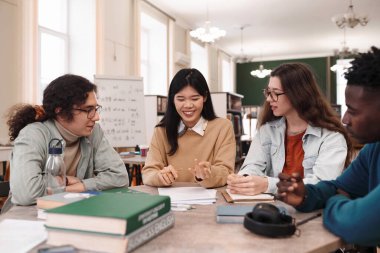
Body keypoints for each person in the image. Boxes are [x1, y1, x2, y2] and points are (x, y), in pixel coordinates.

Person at [277, 47, 380, 247]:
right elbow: (339, 187)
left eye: (353, 111)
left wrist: (335, 203)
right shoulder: (373, 149)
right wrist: (306, 194)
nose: (345, 119)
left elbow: (355, 225)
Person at [227, 63, 352, 195]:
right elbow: (252, 166)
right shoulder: (267, 130)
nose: (269, 99)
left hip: (312, 212)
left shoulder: (332, 137)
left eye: (275, 93)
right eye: (268, 92)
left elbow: (322, 183)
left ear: (298, 94)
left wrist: (267, 185)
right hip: (271, 209)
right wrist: (244, 180)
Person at [7, 74, 129, 206]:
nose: (96, 117)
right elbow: (26, 193)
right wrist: (64, 181)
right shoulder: (33, 135)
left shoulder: (94, 133)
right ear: (60, 112)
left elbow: (120, 177)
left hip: (73, 210)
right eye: (88, 110)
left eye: (95, 109)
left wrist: (79, 186)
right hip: (26, 218)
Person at [142, 68, 235, 188]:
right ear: (172, 99)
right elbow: (149, 172)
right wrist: (159, 177)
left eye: (195, 99)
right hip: (172, 202)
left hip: (212, 202)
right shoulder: (161, 131)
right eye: (180, 99)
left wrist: (207, 174)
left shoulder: (223, 127)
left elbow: (226, 172)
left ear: (205, 97)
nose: (188, 105)